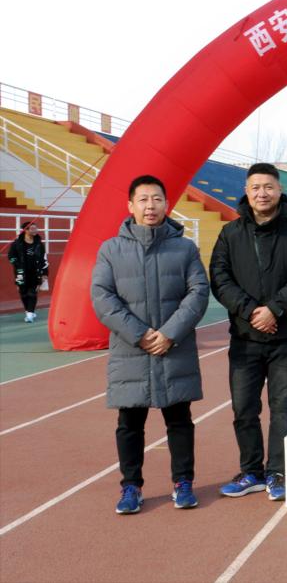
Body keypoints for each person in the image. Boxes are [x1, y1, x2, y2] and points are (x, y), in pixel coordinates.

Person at [90, 175, 209, 514]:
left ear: (166, 204)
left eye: (157, 199)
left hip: (174, 348)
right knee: (130, 423)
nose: (150, 206)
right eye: (143, 199)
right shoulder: (111, 249)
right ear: (130, 206)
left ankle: (183, 482)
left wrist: (170, 333)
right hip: (131, 351)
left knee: (179, 420)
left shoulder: (184, 248)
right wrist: (139, 334)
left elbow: (198, 292)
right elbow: (102, 297)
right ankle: (131, 487)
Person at [210, 163, 287, 502]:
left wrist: (274, 308)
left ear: (279, 189)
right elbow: (220, 278)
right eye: (256, 187)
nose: (262, 193)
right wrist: (251, 312)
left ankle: (278, 472)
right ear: (246, 191)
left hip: (285, 335)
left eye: (268, 187)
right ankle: (251, 472)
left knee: (282, 408)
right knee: (244, 409)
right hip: (245, 338)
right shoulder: (230, 233)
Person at [8, 221, 48, 323]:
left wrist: (45, 273)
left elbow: (44, 259)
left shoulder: (39, 244)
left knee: (33, 293)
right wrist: (17, 264)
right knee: (23, 293)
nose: (35, 230)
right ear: (26, 230)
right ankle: (29, 311)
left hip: (36, 272)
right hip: (20, 273)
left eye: (36, 228)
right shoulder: (16, 243)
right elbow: (11, 257)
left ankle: (30, 314)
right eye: (32, 229)